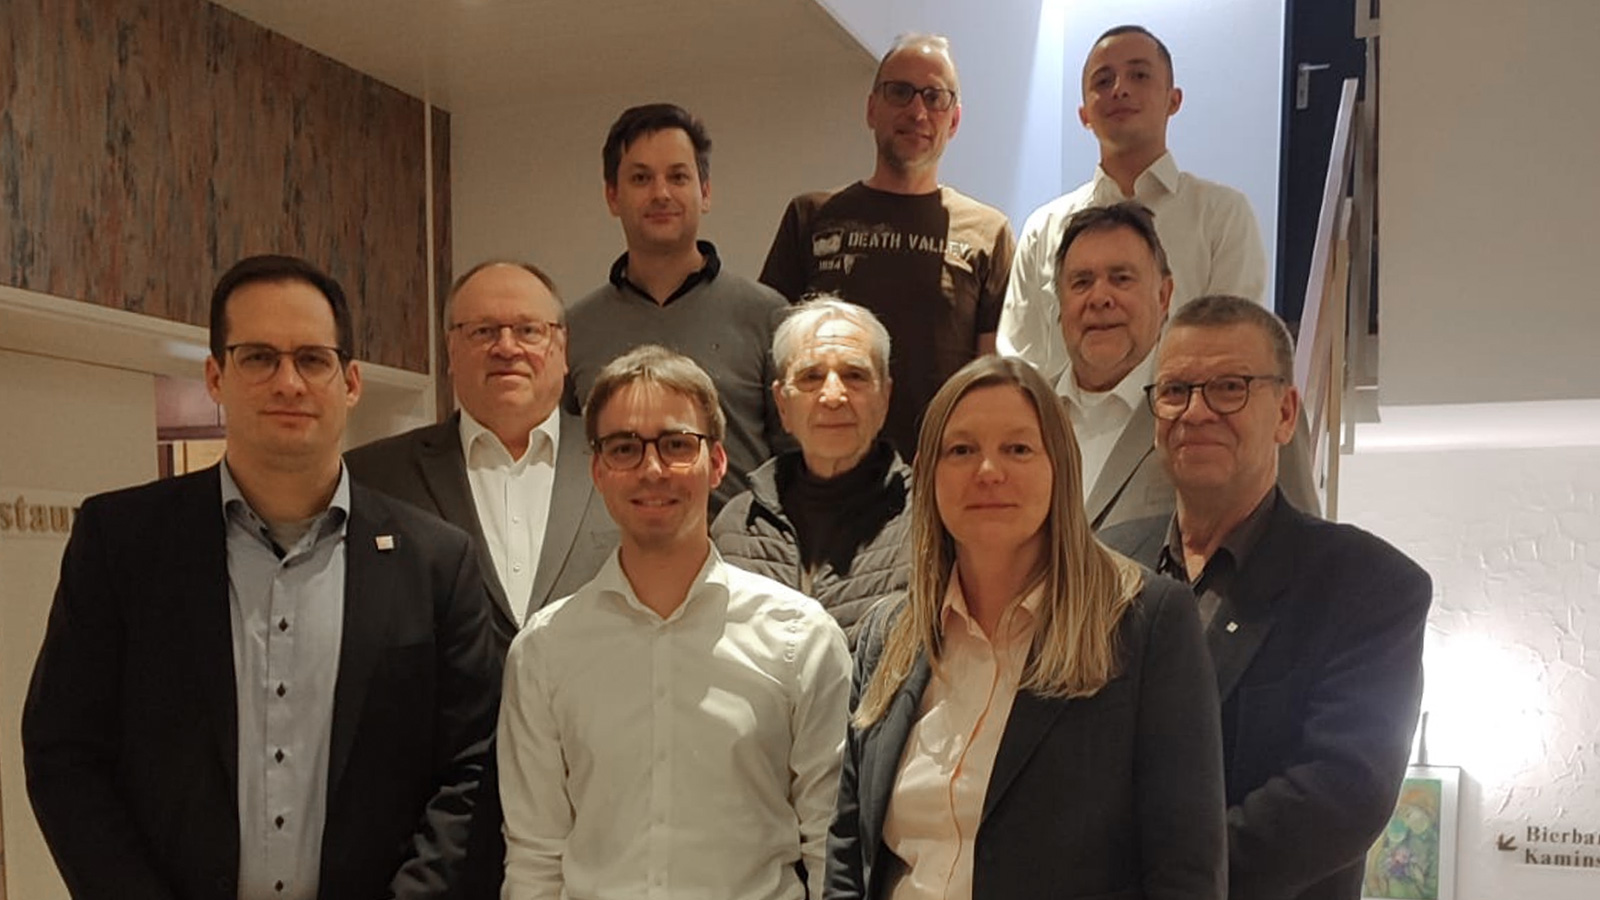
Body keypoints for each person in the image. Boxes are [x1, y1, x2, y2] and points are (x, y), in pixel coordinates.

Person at [22, 255, 500, 899]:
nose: (288, 383)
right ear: (215, 376)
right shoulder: (121, 544)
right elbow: (65, 753)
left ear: (351, 382)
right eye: (258, 358)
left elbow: (470, 769)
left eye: (312, 359)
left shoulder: (435, 560)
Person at [827, 354, 1225, 900]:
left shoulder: (1145, 623)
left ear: (1060, 465)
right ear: (926, 473)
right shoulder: (886, 633)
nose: (988, 471)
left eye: (1017, 448)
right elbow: (849, 852)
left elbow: (1185, 870)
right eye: (961, 450)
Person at [1099, 295, 1432, 900]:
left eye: (1229, 387)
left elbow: (1342, 792)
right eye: (1175, 390)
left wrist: (1161, 884)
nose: (1196, 412)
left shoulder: (1372, 585)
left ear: (1284, 413)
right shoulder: (1100, 565)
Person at [499, 345, 852, 900]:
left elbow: (831, 847)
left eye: (677, 444)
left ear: (717, 463)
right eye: (624, 448)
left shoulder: (800, 638)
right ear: (597, 470)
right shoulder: (545, 651)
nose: (652, 470)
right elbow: (534, 861)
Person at [345, 259, 617, 899]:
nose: (506, 347)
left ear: (561, 347)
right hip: (434, 829)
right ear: (450, 351)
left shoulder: (628, 463)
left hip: (599, 813)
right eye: (483, 331)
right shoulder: (370, 479)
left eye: (528, 329)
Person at [759, 33, 1014, 457]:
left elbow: (992, 379)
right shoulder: (811, 216)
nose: (917, 111)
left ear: (954, 120)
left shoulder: (989, 233)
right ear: (872, 109)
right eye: (900, 92)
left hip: (938, 472)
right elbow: (774, 353)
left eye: (934, 97)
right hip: (823, 471)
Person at [1000, 24, 1267, 385]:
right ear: (1084, 114)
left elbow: (1234, 349)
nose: (1120, 89)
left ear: (1174, 100)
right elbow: (1020, 364)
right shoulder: (1044, 227)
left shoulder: (1222, 216)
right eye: (1103, 80)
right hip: (1064, 421)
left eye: (1139, 75)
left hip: (1183, 418)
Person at [1040, 202, 1316, 530]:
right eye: (1081, 282)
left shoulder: (1240, 405)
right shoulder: (1024, 411)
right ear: (1060, 302)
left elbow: (1300, 543)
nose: (1100, 298)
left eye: (1121, 279)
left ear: (1164, 295)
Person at [566, 103, 788, 510]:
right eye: (641, 178)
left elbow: (799, 464)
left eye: (678, 176)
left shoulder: (768, 316)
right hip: (611, 548)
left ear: (705, 192)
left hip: (741, 548)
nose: (661, 193)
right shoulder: (573, 331)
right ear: (612, 196)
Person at [712, 298, 910, 639]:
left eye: (855, 375)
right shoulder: (736, 527)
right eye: (811, 377)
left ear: (885, 397)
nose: (833, 396)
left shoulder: (928, 519)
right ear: (782, 404)